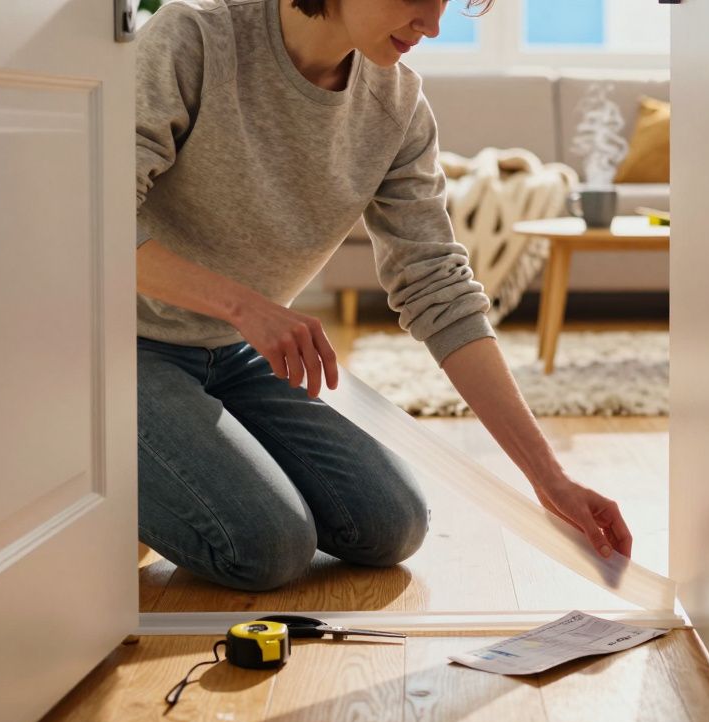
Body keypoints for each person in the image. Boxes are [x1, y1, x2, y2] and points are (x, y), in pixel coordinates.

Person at [134, 0, 633, 592]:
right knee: (268, 546)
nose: (433, 24)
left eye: (445, 2)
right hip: (122, 348)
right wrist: (245, 306)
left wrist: (551, 479)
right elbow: (93, 217)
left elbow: (435, 285)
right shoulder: (196, 36)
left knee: (391, 524)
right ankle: (102, 479)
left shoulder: (395, 105)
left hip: (236, 354)